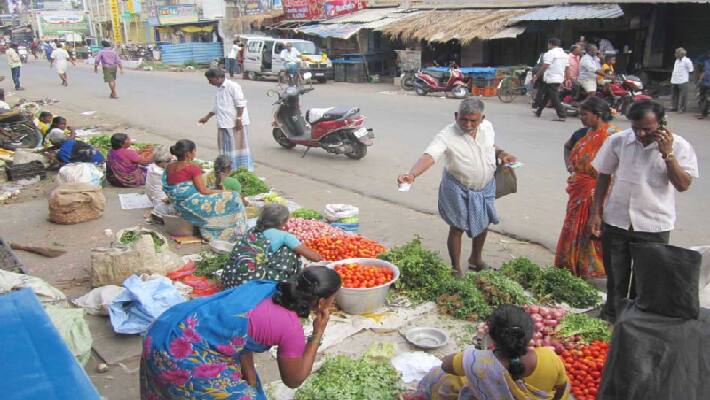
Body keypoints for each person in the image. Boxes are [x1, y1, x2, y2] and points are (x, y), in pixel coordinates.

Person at [140, 267, 341, 399]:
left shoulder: (268, 288)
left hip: (163, 330)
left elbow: (236, 330)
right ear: (322, 302)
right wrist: (318, 333)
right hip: (178, 353)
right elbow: (293, 379)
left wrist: (250, 372)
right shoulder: (290, 328)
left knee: (252, 385)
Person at [589, 100, 699, 322]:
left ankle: (635, 322)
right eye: (635, 127)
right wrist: (595, 213)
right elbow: (603, 175)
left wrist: (667, 154)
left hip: (653, 224)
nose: (640, 133)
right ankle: (612, 318)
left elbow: (683, 185)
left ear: (661, 124)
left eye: (646, 129)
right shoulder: (618, 141)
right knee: (615, 277)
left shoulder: (680, 146)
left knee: (646, 282)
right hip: (617, 220)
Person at [397, 99, 517, 275]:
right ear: (456, 116)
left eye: (473, 121)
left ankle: (476, 260)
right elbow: (430, 156)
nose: (468, 124)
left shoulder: (487, 127)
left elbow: (490, 145)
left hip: (485, 187)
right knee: (457, 227)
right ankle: (456, 268)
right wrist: (412, 174)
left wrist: (502, 153)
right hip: (458, 187)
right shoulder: (446, 135)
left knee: (484, 223)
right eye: (463, 120)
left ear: (482, 118)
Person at [412, 305, 569, 400]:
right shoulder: (550, 357)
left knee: (439, 375)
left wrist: (476, 348)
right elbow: (561, 388)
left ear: (491, 335)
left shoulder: (478, 361)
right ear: (529, 334)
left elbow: (446, 364)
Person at [555, 97, 616, 279]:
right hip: (578, 189)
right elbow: (567, 147)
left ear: (598, 115)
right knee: (573, 226)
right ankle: (569, 263)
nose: (581, 117)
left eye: (584, 114)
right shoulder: (581, 133)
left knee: (593, 228)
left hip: (598, 191)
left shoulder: (613, 136)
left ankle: (591, 268)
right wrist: (569, 165)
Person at [163, 139, 247, 242]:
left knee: (223, 195)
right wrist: (224, 192)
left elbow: (176, 187)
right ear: (188, 153)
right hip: (191, 205)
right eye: (194, 150)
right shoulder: (193, 168)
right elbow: (203, 191)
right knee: (234, 196)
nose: (195, 153)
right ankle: (239, 232)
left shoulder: (169, 166)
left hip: (178, 203)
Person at [221, 204, 322, 289]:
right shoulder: (284, 236)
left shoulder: (253, 229)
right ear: (282, 222)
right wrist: (320, 256)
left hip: (230, 280)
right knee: (289, 249)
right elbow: (315, 257)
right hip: (251, 285)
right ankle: (279, 286)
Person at [199, 69, 253, 172]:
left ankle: (240, 169)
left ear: (218, 78)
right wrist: (207, 117)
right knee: (226, 149)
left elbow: (241, 103)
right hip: (224, 123)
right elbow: (217, 106)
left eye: (210, 80)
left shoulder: (233, 86)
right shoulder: (219, 89)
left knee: (237, 148)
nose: (209, 83)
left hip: (234, 124)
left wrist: (239, 119)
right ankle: (228, 168)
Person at [533, 38, 569, 122]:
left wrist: (537, 75)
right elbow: (567, 67)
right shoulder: (564, 54)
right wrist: (567, 78)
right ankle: (539, 111)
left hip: (551, 77)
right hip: (559, 77)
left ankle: (561, 115)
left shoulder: (550, 53)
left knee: (554, 97)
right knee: (547, 95)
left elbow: (545, 66)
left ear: (550, 44)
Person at [145, 147, 175, 218]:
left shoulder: (152, 166)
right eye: (168, 161)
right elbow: (159, 195)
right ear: (161, 162)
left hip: (152, 196)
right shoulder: (159, 174)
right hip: (159, 201)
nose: (170, 162)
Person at [670, 47, 694, 113]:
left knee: (683, 96)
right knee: (674, 95)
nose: (675, 54)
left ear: (681, 54)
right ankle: (674, 107)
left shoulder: (687, 61)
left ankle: (682, 109)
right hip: (674, 80)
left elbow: (691, 70)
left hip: (683, 80)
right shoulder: (676, 60)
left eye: (676, 53)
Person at [695, 49, 710, 120]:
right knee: (702, 98)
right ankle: (703, 112)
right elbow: (703, 72)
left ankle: (702, 113)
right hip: (704, 83)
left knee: (706, 98)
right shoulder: (706, 62)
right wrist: (699, 80)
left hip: (706, 83)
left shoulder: (706, 62)